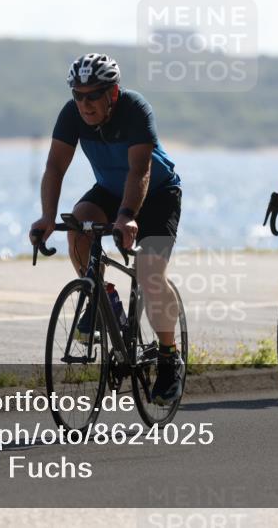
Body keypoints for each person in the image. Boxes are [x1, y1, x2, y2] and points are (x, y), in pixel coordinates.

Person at [30, 53, 184, 404]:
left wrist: (128, 215)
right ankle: (105, 297)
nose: (84, 103)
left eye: (92, 95)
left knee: (149, 273)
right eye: (77, 95)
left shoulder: (135, 109)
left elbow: (140, 170)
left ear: (112, 93)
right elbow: (54, 166)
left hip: (156, 193)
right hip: (112, 192)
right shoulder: (72, 115)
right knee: (78, 219)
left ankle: (168, 356)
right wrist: (46, 217)